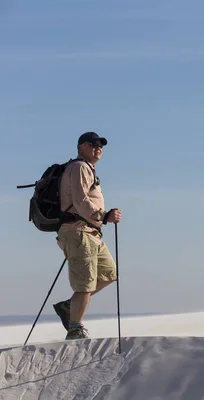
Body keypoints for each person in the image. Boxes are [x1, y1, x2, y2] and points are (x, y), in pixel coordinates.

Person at [52, 131, 122, 340]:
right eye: (92, 144)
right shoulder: (79, 167)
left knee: (109, 273)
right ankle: (75, 329)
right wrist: (104, 215)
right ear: (81, 147)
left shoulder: (88, 169)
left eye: (100, 145)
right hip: (79, 232)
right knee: (85, 283)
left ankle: (69, 306)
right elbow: (81, 201)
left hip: (91, 232)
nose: (98, 147)